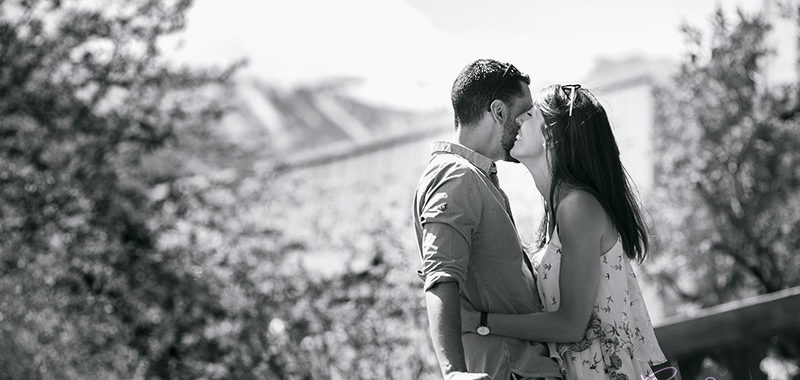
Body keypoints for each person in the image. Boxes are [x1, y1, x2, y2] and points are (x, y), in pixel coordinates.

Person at [460, 84, 669, 380]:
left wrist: (479, 321)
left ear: (553, 136)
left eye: (529, 115)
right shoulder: (558, 213)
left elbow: (570, 325)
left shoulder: (577, 208)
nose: (517, 120)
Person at [412, 60, 563, 380]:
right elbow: (441, 277)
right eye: (524, 112)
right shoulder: (458, 176)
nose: (528, 122)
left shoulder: (475, 176)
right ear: (498, 112)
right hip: (509, 369)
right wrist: (453, 373)